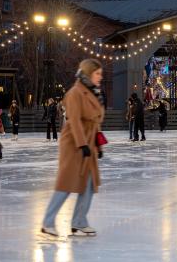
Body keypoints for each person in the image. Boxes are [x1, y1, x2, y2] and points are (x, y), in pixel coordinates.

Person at [41, 59, 105, 237]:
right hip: (74, 143)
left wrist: (98, 144)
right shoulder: (75, 93)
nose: (101, 77)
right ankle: (47, 223)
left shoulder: (93, 93)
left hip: (88, 142)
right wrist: (82, 144)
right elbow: (74, 120)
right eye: (97, 73)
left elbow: (95, 122)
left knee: (90, 184)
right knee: (67, 184)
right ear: (87, 74)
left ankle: (79, 223)